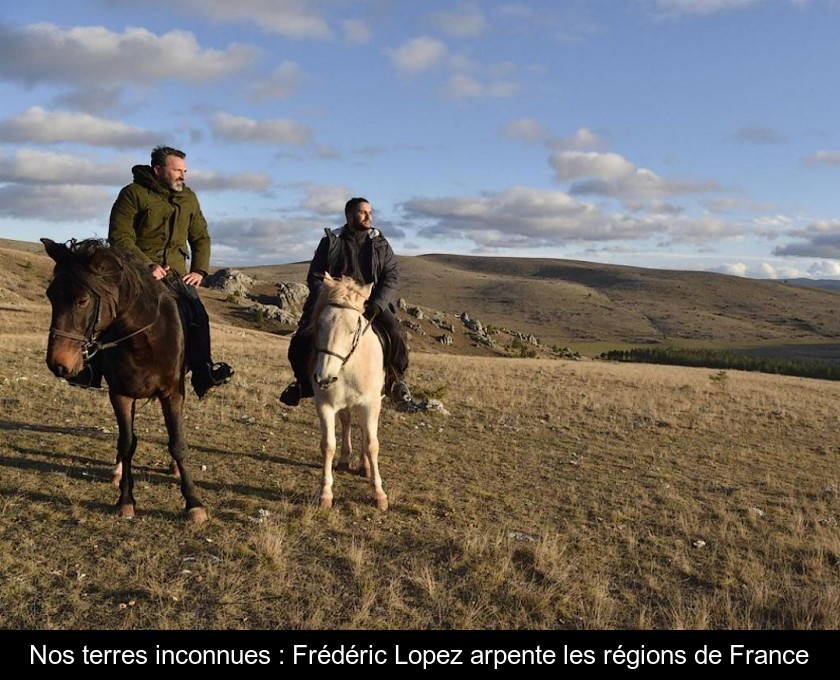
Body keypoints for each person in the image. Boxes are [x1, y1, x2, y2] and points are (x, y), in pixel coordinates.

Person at [68, 145, 233, 398]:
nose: (183, 175)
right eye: (177, 170)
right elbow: (120, 236)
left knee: (197, 314)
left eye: (185, 170)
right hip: (136, 272)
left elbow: (200, 236)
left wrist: (199, 270)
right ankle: (90, 370)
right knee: (108, 311)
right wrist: (146, 265)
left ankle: (204, 371)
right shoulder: (132, 194)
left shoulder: (189, 198)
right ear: (158, 170)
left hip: (176, 274)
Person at [280, 197, 412, 407]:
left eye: (370, 212)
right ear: (349, 216)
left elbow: (391, 276)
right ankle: (302, 383)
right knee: (301, 338)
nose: (369, 216)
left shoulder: (380, 243)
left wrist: (378, 302)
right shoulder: (331, 241)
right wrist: (326, 297)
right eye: (363, 212)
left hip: (370, 303)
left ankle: (397, 381)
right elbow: (315, 275)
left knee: (396, 333)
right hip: (335, 302)